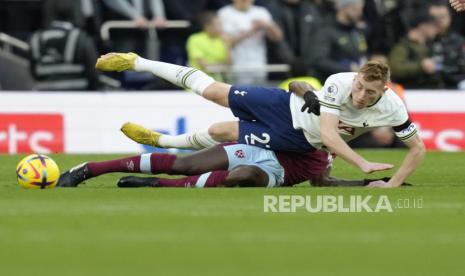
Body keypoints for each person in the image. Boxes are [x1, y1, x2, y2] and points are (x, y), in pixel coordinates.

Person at [95, 52, 425, 188]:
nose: (361, 96)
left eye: (370, 92)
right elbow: (329, 131)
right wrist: (362, 164)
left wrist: (393, 185)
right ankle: (139, 62)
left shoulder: (393, 108)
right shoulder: (341, 81)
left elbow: (417, 149)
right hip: (282, 108)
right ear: (355, 78)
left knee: (220, 130)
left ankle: (162, 141)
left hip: (296, 140)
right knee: (213, 92)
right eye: (360, 87)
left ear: (383, 89)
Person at [29, 0, 100, 90]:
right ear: (73, 13)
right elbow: (94, 75)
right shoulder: (81, 39)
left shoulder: (36, 39)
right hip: (77, 98)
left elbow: (34, 73)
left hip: (45, 99)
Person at [218, 0, 283, 84]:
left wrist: (268, 26)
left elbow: (278, 38)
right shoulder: (224, 13)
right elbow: (225, 43)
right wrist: (251, 31)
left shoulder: (261, 12)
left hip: (259, 64)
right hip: (235, 65)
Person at [311, 0, 368, 81]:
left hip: (354, 82)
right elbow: (318, 60)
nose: (360, 13)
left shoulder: (356, 31)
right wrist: (347, 69)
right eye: (355, 9)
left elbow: (362, 53)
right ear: (344, 8)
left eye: (361, 10)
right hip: (330, 84)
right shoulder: (326, 30)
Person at [388, 10, 440, 89]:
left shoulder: (430, 45)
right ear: (423, 26)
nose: (436, 30)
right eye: (433, 26)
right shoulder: (402, 47)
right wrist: (421, 66)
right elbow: (395, 68)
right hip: (408, 91)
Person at [186, 11, 231, 81]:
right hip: (198, 81)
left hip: (218, 82)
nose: (221, 27)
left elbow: (229, 64)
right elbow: (204, 65)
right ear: (207, 26)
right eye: (218, 24)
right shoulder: (195, 39)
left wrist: (227, 45)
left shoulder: (223, 40)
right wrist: (221, 66)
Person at [430, 0, 465, 89]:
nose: (439, 21)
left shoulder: (458, 40)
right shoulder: (422, 40)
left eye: (442, 17)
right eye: (435, 17)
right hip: (425, 87)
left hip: (454, 87)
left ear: (449, 17)